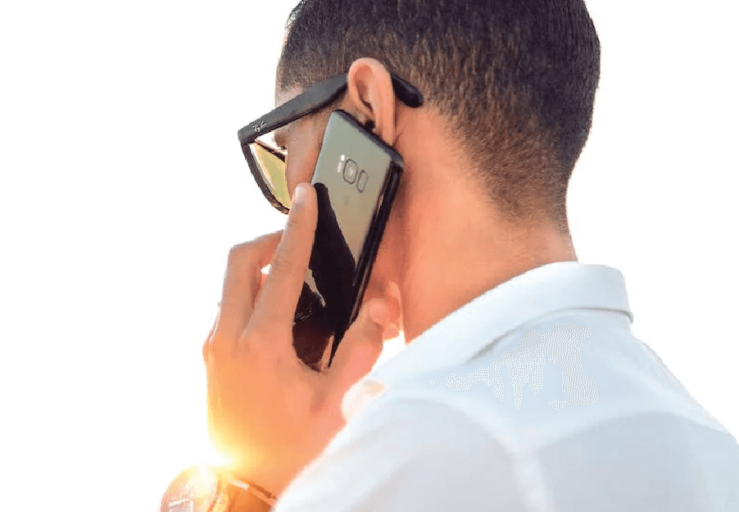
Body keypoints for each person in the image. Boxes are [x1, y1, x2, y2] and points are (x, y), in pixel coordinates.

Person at [201, 0, 739, 510]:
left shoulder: (419, 454)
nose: (287, 206)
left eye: (286, 155)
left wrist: (261, 479)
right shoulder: (710, 446)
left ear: (368, 112)